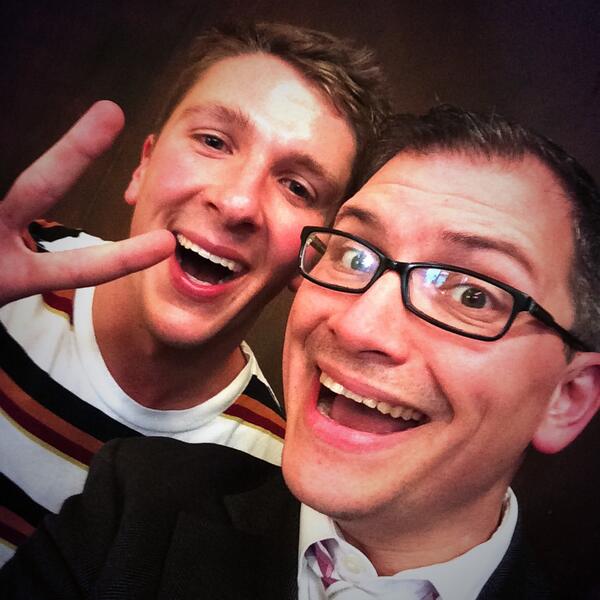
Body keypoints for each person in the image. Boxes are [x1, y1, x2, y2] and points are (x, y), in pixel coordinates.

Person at [4, 104, 599, 599]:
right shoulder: (139, 499)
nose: (358, 326)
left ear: (567, 398)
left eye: (471, 294)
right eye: (355, 254)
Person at [0, 22, 391, 564]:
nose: (237, 203)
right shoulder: (12, 275)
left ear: (313, 258)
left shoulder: (268, 477)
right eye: (213, 142)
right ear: (143, 166)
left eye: (297, 187)